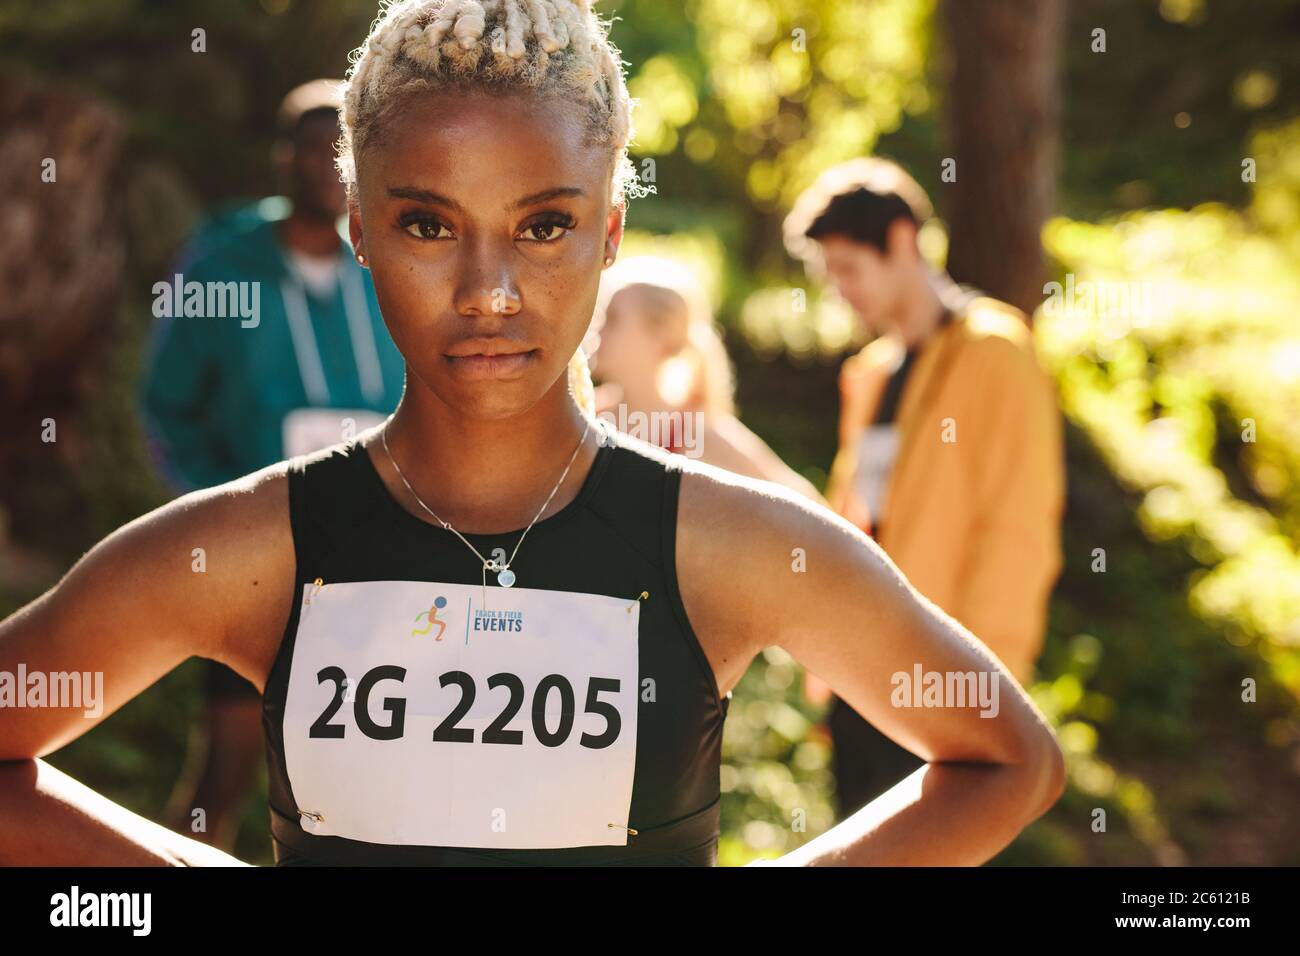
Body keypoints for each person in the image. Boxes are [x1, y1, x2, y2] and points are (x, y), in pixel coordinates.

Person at [0, 0, 1063, 867]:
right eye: (427, 224)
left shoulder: (725, 541)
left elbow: (1006, 759)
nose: (489, 292)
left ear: (609, 235)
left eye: (543, 225)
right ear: (361, 228)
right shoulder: (247, 544)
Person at [138, 79, 407, 851]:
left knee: (370, 768)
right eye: (314, 149)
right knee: (226, 764)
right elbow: (165, 404)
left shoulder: (392, 254)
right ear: (282, 160)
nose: (330, 166)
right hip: (258, 551)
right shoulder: (223, 264)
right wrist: (206, 511)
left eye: (345, 151)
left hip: (382, 552)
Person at [783, 157, 1067, 817]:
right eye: (831, 278)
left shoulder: (994, 350)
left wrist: (985, 697)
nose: (841, 292)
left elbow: (1017, 528)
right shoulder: (873, 372)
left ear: (904, 242)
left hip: (946, 691)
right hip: (863, 679)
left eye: (850, 270)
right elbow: (856, 518)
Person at [590, 254, 825, 503]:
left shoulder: (696, 434)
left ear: (662, 337)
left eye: (613, 319)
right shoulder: (585, 414)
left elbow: (805, 503)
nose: (597, 330)